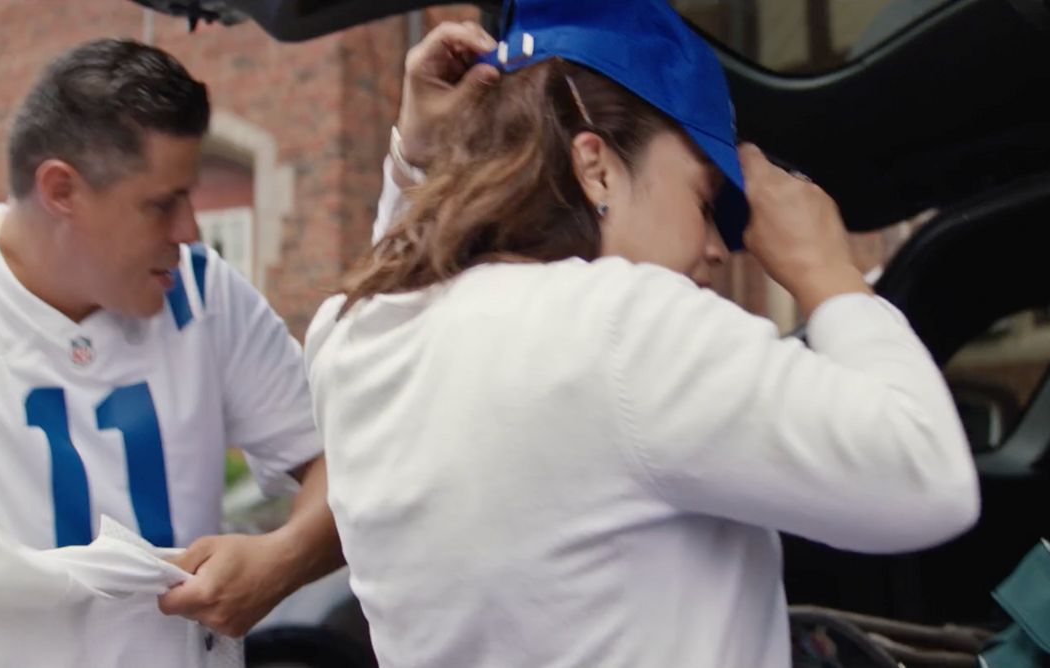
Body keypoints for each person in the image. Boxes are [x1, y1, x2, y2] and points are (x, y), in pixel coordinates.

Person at [303, 0, 982, 666]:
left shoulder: (346, 337)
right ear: (596, 165)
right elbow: (929, 479)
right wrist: (826, 271)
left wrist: (413, 159)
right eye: (704, 199)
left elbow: (401, 269)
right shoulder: (620, 326)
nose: (719, 248)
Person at [0, 39, 341, 667]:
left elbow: (346, 462)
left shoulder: (205, 293)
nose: (189, 230)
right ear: (60, 190)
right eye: (162, 204)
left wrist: (285, 557)